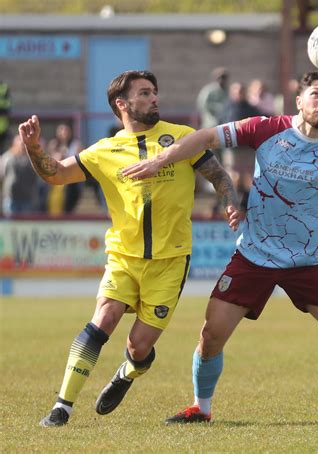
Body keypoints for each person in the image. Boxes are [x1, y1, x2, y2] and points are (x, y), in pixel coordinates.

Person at [122, 70, 318, 424]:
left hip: (309, 262)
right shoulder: (266, 128)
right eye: (316, 94)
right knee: (211, 336)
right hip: (254, 255)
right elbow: (205, 137)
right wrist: (159, 160)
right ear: (299, 100)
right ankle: (202, 407)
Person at [18, 70, 240, 427]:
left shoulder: (181, 138)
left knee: (139, 347)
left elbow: (217, 174)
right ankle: (63, 406)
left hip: (169, 261)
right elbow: (56, 174)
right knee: (102, 318)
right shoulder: (104, 151)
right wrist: (33, 148)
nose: (154, 98)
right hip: (123, 256)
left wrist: (230, 201)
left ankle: (128, 373)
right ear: (122, 104)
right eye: (145, 93)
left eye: (155, 92)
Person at [46, 123, 84, 214]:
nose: (64, 133)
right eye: (61, 130)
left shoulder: (76, 144)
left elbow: (80, 159)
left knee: (69, 199)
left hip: (71, 178)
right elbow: (49, 160)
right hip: (57, 177)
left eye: (66, 130)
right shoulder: (54, 144)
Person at [0, 134, 39, 216]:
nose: (22, 145)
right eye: (20, 142)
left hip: (27, 199)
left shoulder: (33, 158)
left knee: (25, 225)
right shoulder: (7, 157)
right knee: (9, 225)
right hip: (10, 198)